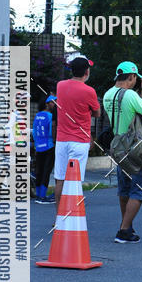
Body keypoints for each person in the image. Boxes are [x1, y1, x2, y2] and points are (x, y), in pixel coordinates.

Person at [103, 61, 142, 243]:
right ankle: (124, 230)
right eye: (135, 78)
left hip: (119, 148)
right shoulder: (131, 95)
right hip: (136, 148)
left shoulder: (107, 95)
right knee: (139, 190)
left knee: (124, 188)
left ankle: (127, 225)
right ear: (132, 77)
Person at [55, 55, 100, 211]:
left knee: (60, 179)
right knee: (75, 181)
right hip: (80, 141)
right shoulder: (90, 91)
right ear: (86, 72)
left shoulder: (60, 86)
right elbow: (97, 113)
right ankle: (72, 217)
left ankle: (59, 218)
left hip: (61, 140)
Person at [32, 95, 57, 204]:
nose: (55, 104)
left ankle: (38, 195)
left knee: (39, 171)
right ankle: (42, 196)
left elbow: (34, 132)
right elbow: (52, 130)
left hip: (39, 147)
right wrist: (55, 142)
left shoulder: (37, 116)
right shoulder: (50, 116)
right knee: (46, 171)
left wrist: (36, 145)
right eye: (53, 102)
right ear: (47, 104)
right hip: (49, 146)